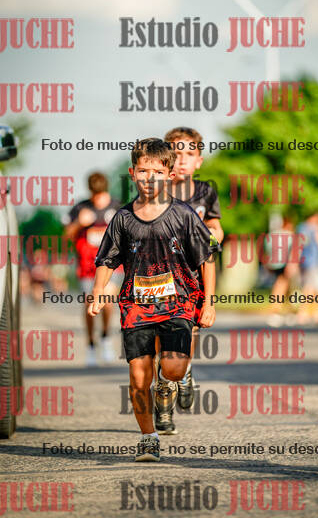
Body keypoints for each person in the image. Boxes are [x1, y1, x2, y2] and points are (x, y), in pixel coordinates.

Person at [88, 138, 219, 461]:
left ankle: (166, 383)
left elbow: (207, 259)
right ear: (132, 173)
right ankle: (148, 437)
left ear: (170, 175)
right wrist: (98, 291)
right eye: (143, 171)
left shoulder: (184, 215)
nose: (150, 178)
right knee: (137, 378)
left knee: (173, 369)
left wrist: (209, 303)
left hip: (179, 303)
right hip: (136, 306)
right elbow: (107, 259)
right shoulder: (122, 218)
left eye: (158, 172)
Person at [152, 127, 223, 435]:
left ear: (199, 161)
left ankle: (185, 369)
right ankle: (164, 401)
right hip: (159, 275)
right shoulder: (155, 190)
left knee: (186, 333)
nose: (182, 160)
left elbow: (216, 226)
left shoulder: (205, 192)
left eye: (189, 154)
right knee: (160, 341)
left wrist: (213, 235)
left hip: (192, 276)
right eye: (175, 153)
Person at [64, 172, 121, 366]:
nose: (98, 200)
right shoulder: (80, 208)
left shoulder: (117, 207)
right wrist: (79, 223)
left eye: (101, 195)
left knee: (107, 299)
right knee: (90, 304)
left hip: (112, 264)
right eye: (95, 196)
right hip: (87, 266)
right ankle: (90, 344)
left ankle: (105, 336)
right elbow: (67, 235)